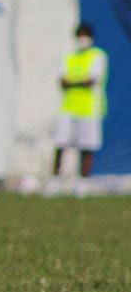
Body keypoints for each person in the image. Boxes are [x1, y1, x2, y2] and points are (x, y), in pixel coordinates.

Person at [52, 22, 108, 178]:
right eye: (79, 35)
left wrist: (73, 81)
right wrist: (79, 81)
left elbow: (91, 81)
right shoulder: (70, 57)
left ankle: (83, 179)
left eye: (85, 35)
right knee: (60, 143)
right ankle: (55, 178)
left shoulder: (97, 56)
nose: (82, 39)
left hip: (90, 108)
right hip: (68, 107)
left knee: (87, 146)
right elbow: (63, 82)